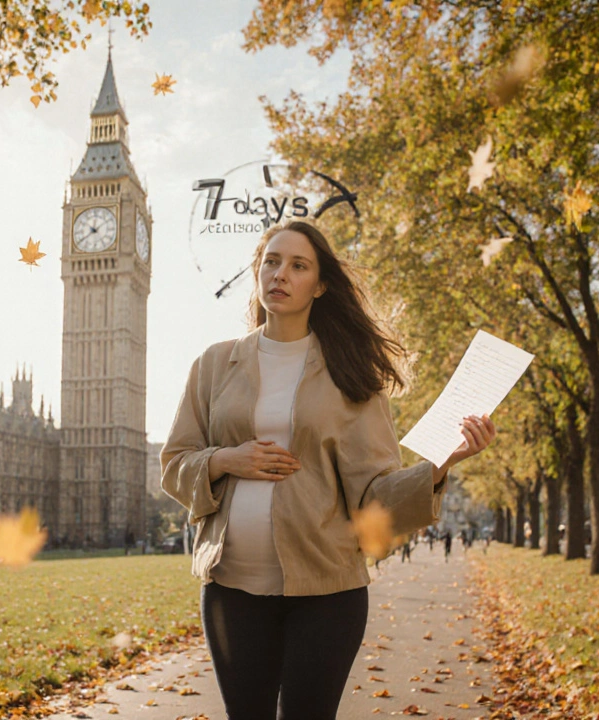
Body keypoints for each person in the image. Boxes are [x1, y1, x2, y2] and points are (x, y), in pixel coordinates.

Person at [160, 220, 498, 719]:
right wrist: (226, 459)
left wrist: (441, 463)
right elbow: (174, 464)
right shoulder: (212, 364)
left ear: (320, 286)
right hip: (230, 589)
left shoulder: (350, 371)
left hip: (327, 594)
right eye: (271, 261)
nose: (280, 274)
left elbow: (374, 496)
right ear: (257, 271)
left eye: (298, 266)